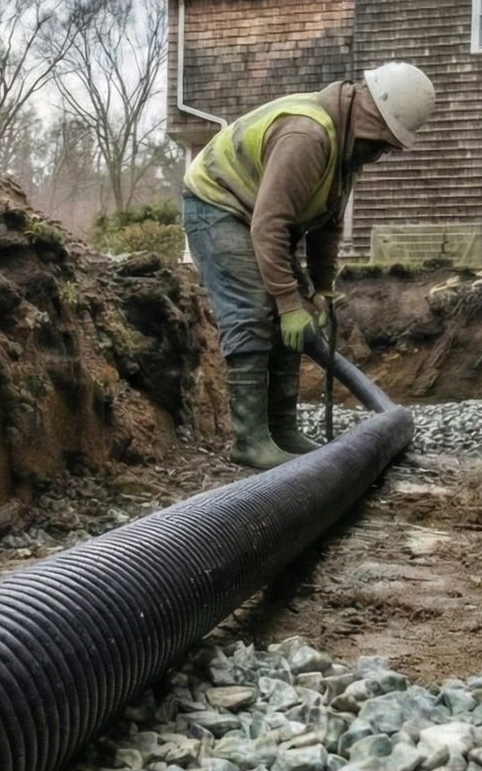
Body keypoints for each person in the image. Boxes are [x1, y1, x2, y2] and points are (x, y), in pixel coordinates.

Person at [183, 62, 436, 469]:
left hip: (257, 216)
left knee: (296, 317)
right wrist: (286, 302)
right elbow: (269, 225)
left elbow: (328, 227)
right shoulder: (308, 135)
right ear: (370, 119)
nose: (380, 155)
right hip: (218, 205)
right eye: (382, 144)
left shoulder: (344, 152)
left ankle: (282, 432)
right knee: (253, 311)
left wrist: (320, 290)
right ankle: (250, 441)